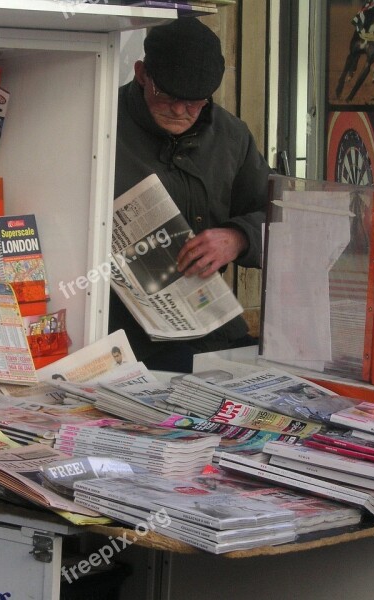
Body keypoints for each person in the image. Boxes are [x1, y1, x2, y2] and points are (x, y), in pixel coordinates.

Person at [109, 18, 273, 373]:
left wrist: (238, 237)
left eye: (195, 102)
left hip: (211, 328)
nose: (180, 111)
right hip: (124, 337)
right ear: (141, 74)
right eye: (166, 97)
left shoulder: (230, 135)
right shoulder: (102, 124)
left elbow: (275, 213)